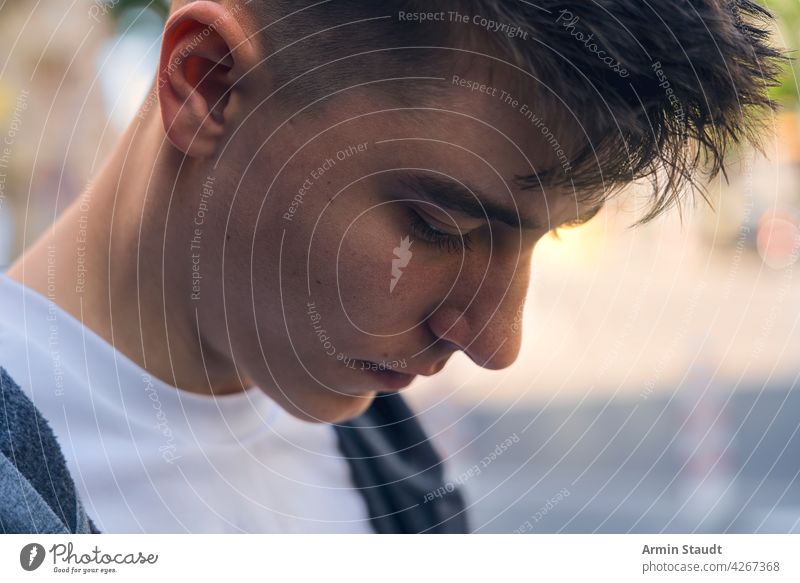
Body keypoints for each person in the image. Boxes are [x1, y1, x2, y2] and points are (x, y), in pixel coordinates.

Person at [0, 0, 783, 533]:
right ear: (209, 83)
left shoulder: (390, 462)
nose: (496, 341)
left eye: (547, 237)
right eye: (440, 227)